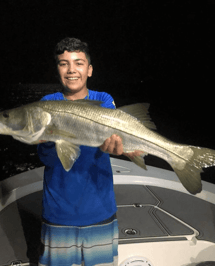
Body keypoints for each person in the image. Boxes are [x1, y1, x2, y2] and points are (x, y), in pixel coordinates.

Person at [37, 37, 137, 266]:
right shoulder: (47, 103)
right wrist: (49, 140)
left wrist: (121, 148)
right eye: (64, 63)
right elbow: (47, 158)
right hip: (58, 213)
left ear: (89, 70)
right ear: (57, 70)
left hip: (99, 210)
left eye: (79, 63)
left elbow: (113, 137)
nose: (72, 70)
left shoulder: (103, 99)